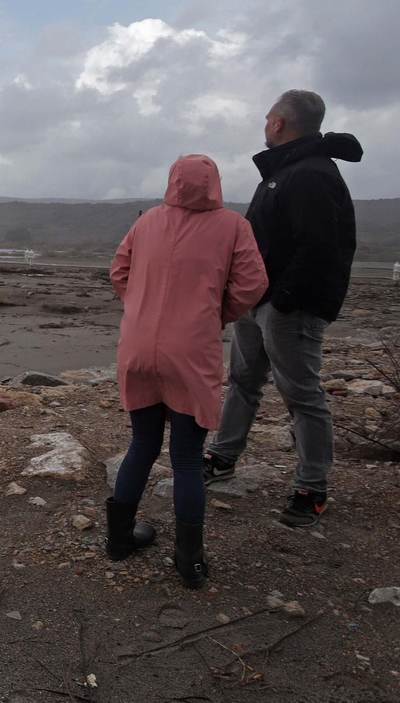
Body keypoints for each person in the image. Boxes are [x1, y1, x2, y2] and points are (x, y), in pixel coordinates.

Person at [204, 90, 363, 527]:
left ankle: (312, 487)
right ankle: (222, 455)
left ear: (278, 123)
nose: (265, 124)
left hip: (287, 307)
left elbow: (321, 247)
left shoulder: (311, 174)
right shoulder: (285, 170)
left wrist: (282, 299)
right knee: (243, 380)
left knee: (302, 395)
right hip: (260, 302)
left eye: (268, 118)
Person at [108, 155, 267, 588]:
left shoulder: (148, 222)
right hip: (192, 351)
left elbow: (119, 271)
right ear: (214, 183)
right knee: (187, 458)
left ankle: (119, 539)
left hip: (138, 347)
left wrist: (140, 306)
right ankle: (189, 560)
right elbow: (253, 284)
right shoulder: (233, 225)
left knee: (142, 442)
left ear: (173, 181)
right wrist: (215, 314)